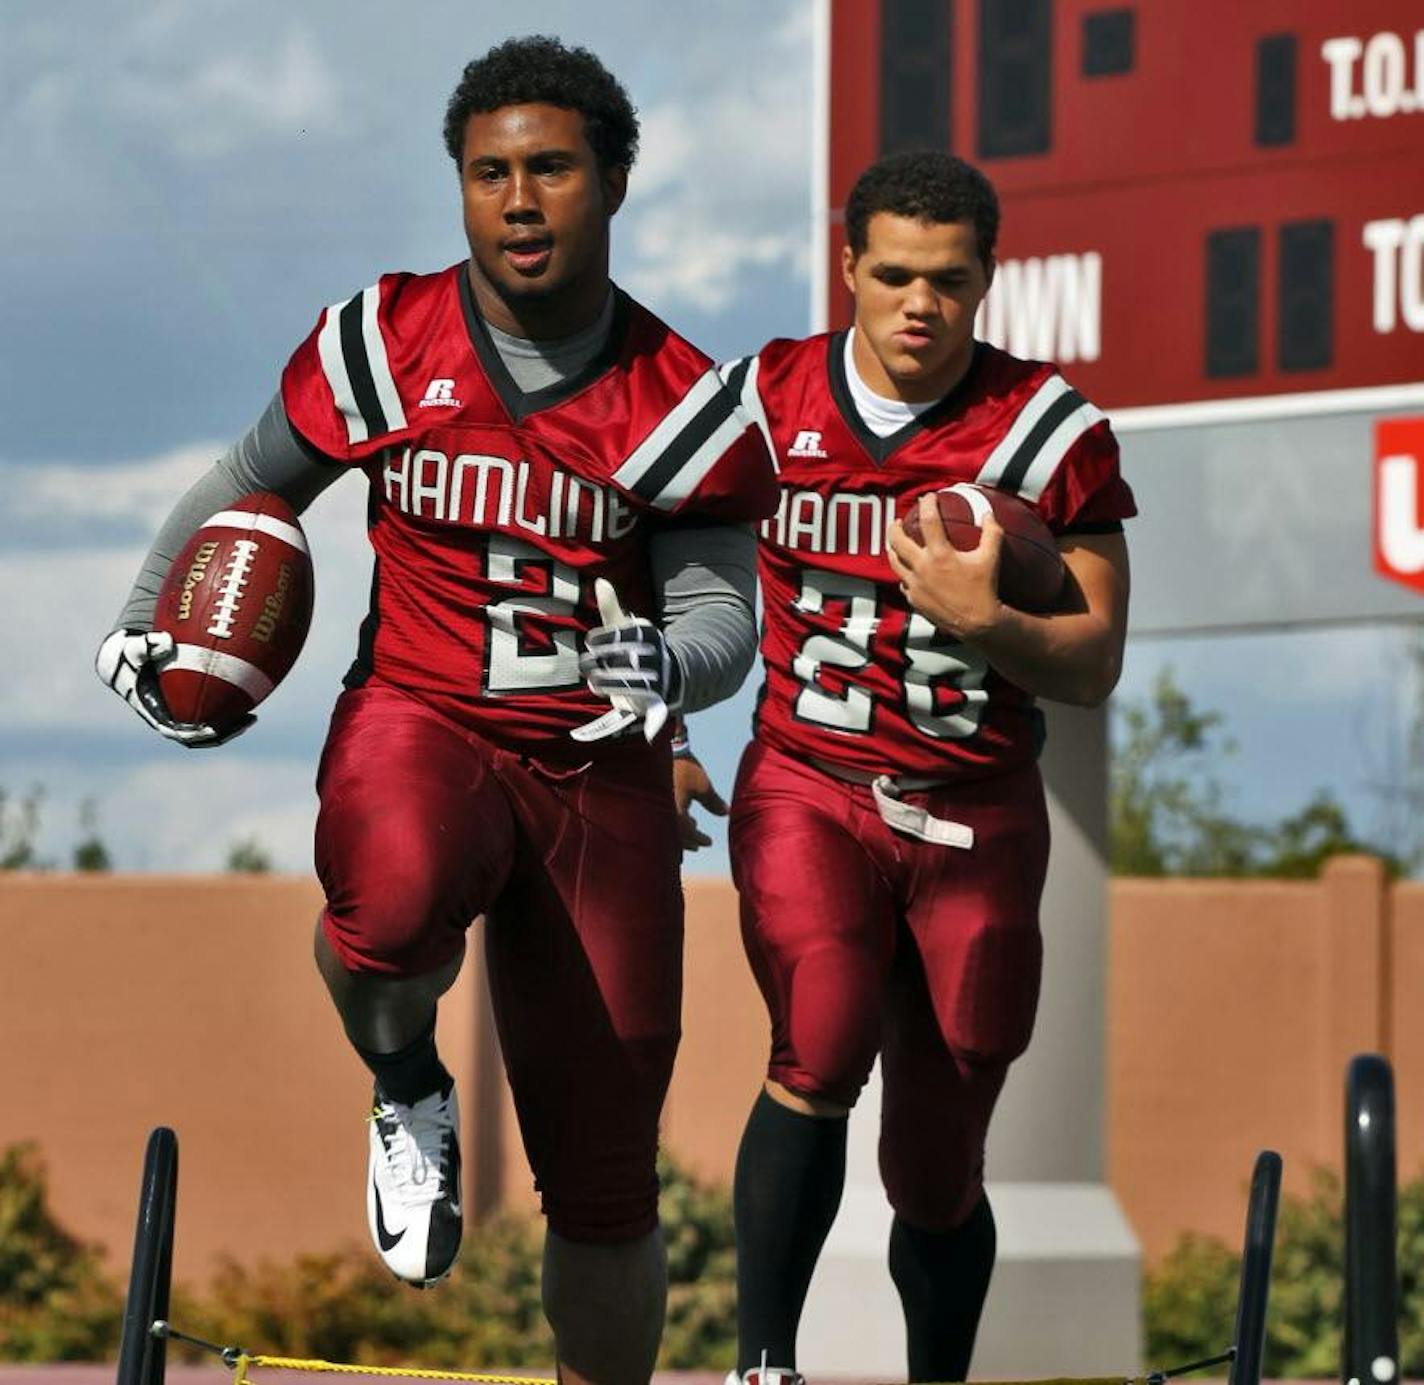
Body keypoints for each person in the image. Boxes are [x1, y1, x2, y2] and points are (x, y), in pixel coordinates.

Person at [96, 35, 776, 1385]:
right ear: (459, 186)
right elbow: (251, 481)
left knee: (603, 1177)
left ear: (616, 180)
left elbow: (723, 617)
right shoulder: (385, 339)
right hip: (426, 714)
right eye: (489, 173)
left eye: (551, 169)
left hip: (600, 780)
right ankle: (406, 1080)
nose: (519, 199)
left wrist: (667, 669)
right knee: (390, 906)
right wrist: (144, 621)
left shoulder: (682, 400)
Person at [677, 149, 1135, 1384]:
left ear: (986, 279)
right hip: (809, 781)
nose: (915, 304)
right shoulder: (765, 395)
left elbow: (1092, 661)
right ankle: (762, 1364)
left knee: (937, 1163)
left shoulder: (1047, 431)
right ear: (847, 268)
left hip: (973, 807)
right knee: (817, 1037)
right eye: (890, 275)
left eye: (945, 279)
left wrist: (985, 619)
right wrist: (662, 726)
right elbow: (633, 524)